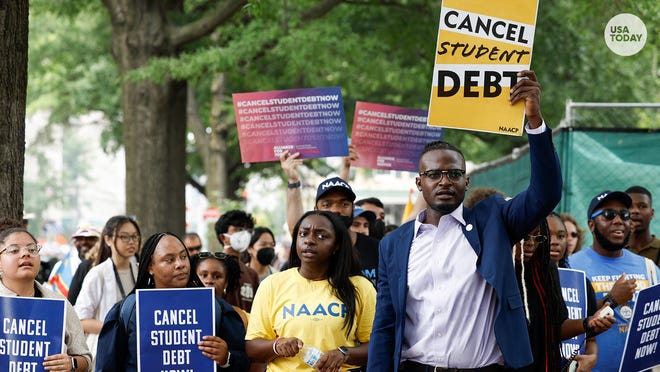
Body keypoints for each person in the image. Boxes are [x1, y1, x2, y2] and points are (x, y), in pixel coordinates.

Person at [368, 70, 562, 371]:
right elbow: (385, 324)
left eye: (454, 174)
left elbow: (545, 194)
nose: (445, 181)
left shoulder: (494, 220)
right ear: (420, 184)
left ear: (466, 181)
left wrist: (534, 121)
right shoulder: (393, 245)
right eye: (434, 174)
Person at [245, 211, 376, 371]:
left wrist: (344, 353)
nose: (309, 241)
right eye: (303, 234)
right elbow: (252, 348)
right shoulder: (272, 284)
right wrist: (277, 346)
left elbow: (377, 346)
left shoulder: (360, 287)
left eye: (321, 236)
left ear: (337, 245)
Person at [99, 232, 249, 371]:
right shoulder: (129, 309)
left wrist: (226, 358)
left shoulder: (215, 307)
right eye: (170, 260)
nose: (180, 264)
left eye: (184, 257)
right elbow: (107, 366)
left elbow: (244, 361)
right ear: (150, 266)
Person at [569, 190, 660, 371]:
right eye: (608, 215)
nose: (618, 220)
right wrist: (612, 299)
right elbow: (564, 322)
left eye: (624, 215)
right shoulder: (572, 267)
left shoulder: (649, 268)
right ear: (591, 225)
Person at [515, 215, 613, 371]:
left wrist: (589, 324)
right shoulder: (508, 273)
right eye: (525, 236)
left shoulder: (571, 279)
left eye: (561, 236)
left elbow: (559, 326)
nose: (531, 242)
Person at [279, 152, 380, 286]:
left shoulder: (377, 249)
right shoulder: (309, 253)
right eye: (327, 205)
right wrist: (293, 181)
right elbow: (295, 227)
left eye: (344, 204)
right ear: (316, 210)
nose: (336, 210)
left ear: (353, 209)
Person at [0, 227, 92, 371]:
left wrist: (71, 363)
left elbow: (86, 360)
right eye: (14, 250)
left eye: (32, 250)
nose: (25, 254)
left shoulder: (59, 304)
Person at [75, 216, 140, 363]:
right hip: (106, 350)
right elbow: (81, 319)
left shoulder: (139, 270)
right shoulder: (98, 274)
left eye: (135, 237)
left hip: (134, 350)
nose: (131, 242)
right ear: (108, 240)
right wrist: (116, 329)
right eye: (124, 237)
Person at [214, 210, 260, 312]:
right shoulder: (213, 267)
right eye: (238, 230)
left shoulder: (252, 274)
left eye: (247, 230)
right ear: (223, 237)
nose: (244, 235)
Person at [47, 223, 101, 296]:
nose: (84, 242)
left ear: (99, 242)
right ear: (75, 242)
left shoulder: (104, 266)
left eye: (89, 239)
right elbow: (50, 293)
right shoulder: (61, 267)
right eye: (80, 239)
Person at [625, 185, 660, 265]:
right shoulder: (615, 251)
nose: (635, 211)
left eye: (642, 206)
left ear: (652, 213)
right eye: (629, 207)